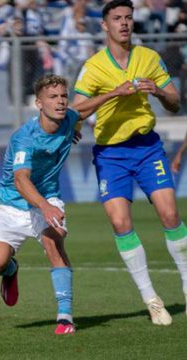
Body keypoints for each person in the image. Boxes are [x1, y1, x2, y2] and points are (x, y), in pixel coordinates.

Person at [0, 74, 131, 335]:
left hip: (48, 196)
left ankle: (64, 317)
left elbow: (84, 109)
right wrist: (44, 206)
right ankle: (11, 269)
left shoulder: (69, 119)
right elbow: (20, 180)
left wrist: (115, 93)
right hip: (11, 204)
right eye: (53, 97)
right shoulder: (24, 138)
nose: (61, 102)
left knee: (54, 239)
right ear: (39, 104)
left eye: (63, 96)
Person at [73, 0, 186, 325]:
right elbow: (77, 110)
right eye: (116, 19)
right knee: (121, 223)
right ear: (105, 26)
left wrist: (160, 93)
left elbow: (175, 103)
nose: (124, 23)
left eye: (128, 17)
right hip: (111, 154)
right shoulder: (93, 66)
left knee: (170, 213)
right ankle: (151, 299)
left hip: (148, 147)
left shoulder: (149, 58)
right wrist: (111, 95)